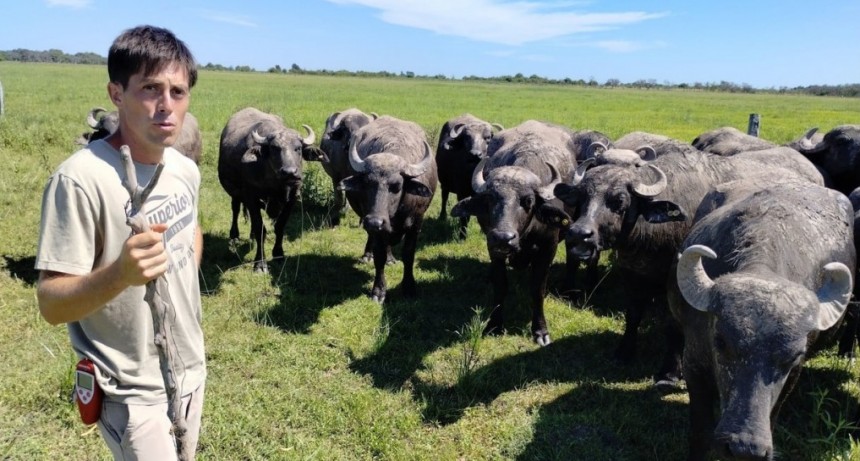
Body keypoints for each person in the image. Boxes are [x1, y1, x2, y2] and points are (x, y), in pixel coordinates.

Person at [35, 25, 206, 460]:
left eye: (178, 92)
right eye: (150, 89)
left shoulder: (184, 170)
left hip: (189, 368)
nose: (166, 106)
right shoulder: (79, 180)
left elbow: (191, 234)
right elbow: (51, 305)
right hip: (129, 390)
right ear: (116, 93)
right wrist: (121, 275)